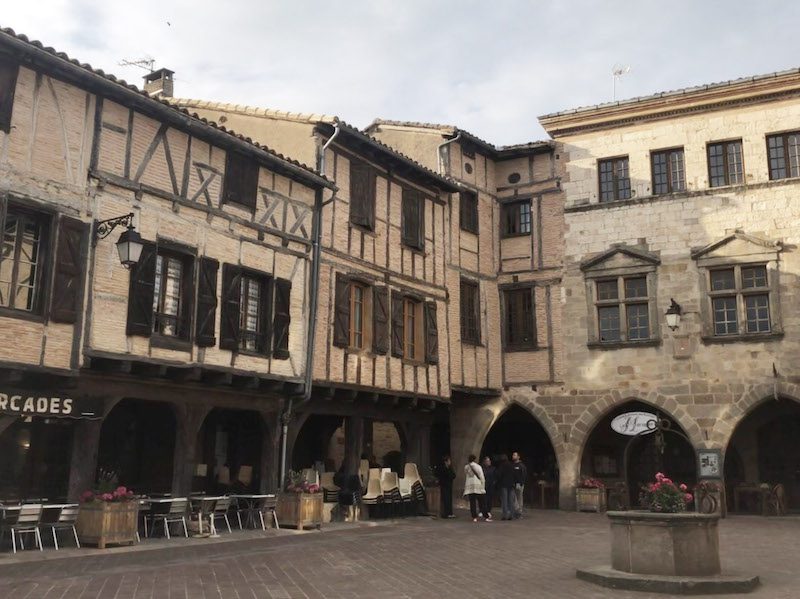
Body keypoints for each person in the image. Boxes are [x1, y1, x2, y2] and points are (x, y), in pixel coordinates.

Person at [463, 454, 486, 522]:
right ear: (475, 459)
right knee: (481, 502)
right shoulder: (478, 466)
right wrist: (483, 484)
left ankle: (474, 517)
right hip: (477, 486)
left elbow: (466, 474)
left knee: (472, 503)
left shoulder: (466, 467)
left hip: (470, 487)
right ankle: (485, 515)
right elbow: (481, 476)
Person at [497, 454, 516, 521]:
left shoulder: (502, 466)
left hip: (504, 484)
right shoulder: (512, 465)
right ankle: (511, 515)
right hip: (511, 484)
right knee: (511, 500)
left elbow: (499, 475)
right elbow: (515, 474)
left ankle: (505, 515)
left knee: (504, 500)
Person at [511, 451, 528, 519]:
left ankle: (519, 512)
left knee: (519, 498)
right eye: (513, 455)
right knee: (513, 497)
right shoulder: (512, 465)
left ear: (518, 457)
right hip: (513, 484)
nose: (513, 456)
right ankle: (516, 510)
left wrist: (521, 483)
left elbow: (524, 475)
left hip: (519, 484)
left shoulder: (521, 466)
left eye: (515, 455)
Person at [481, 456, 496, 521]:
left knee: (490, 499)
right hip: (484, 485)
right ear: (484, 462)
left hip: (491, 486)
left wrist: (494, 482)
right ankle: (482, 511)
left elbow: (495, 476)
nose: (489, 462)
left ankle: (488, 511)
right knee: (483, 499)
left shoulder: (493, 468)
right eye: (487, 461)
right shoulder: (482, 469)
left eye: (489, 461)